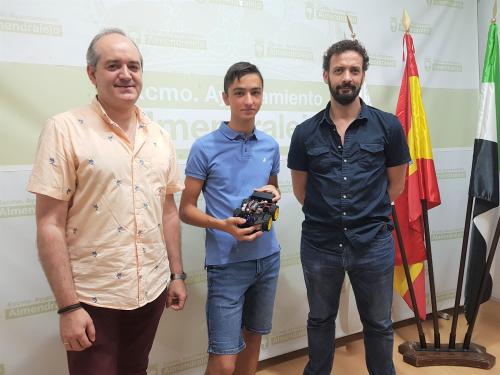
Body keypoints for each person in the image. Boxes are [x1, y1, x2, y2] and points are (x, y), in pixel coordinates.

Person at [27, 28, 186, 375]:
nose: (126, 75)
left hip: (151, 290)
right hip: (92, 297)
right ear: (91, 73)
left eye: (134, 66)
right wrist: (69, 308)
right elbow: (49, 224)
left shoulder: (159, 136)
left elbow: (168, 211)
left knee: (135, 370)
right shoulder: (64, 129)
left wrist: (176, 274)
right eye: (113, 65)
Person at [287, 39, 410, 375]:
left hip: (373, 243)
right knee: (320, 320)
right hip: (319, 244)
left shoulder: (388, 127)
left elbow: (395, 185)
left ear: (363, 76)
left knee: (379, 324)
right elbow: (302, 191)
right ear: (326, 75)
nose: (347, 77)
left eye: (354, 70)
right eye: (339, 70)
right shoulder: (305, 133)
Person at [179, 62, 281, 375]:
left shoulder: (270, 145)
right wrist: (222, 225)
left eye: (255, 92)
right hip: (226, 264)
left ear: (262, 96)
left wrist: (274, 194)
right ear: (226, 98)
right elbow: (186, 209)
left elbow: (274, 190)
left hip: (268, 259)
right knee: (224, 361)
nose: (248, 100)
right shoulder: (204, 147)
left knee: (253, 340)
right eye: (240, 93)